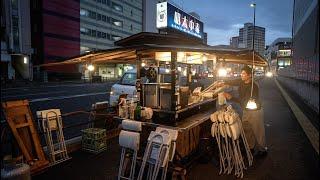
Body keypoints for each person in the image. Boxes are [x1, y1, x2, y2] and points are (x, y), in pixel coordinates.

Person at [218, 65, 267, 156]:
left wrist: (231, 97)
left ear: (249, 75)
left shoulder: (253, 87)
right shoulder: (242, 81)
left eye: (244, 74)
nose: (241, 75)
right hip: (246, 110)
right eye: (241, 73)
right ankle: (250, 147)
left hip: (255, 111)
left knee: (258, 131)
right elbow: (235, 81)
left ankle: (262, 150)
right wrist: (224, 82)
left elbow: (245, 100)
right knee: (247, 129)